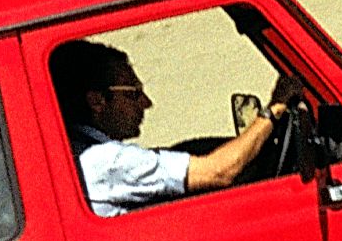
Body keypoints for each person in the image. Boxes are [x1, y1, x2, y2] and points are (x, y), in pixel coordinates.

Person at [47, 37, 291, 216]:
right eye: (134, 94)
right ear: (97, 102)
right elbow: (220, 172)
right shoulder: (108, 161)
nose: (147, 103)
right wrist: (275, 107)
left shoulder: (79, 151)